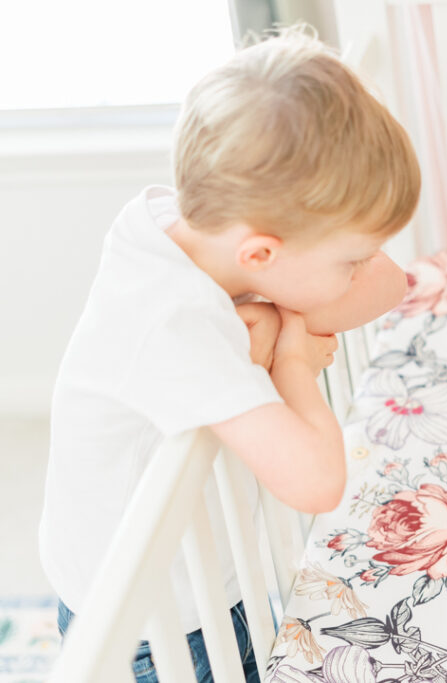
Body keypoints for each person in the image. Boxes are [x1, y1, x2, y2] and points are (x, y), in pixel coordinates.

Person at [39, 27, 418, 682]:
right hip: (151, 628)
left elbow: (392, 284)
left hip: (209, 586)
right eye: (348, 260)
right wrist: (291, 363)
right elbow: (317, 481)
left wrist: (275, 315)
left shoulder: (189, 228)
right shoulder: (173, 328)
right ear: (262, 256)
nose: (364, 271)